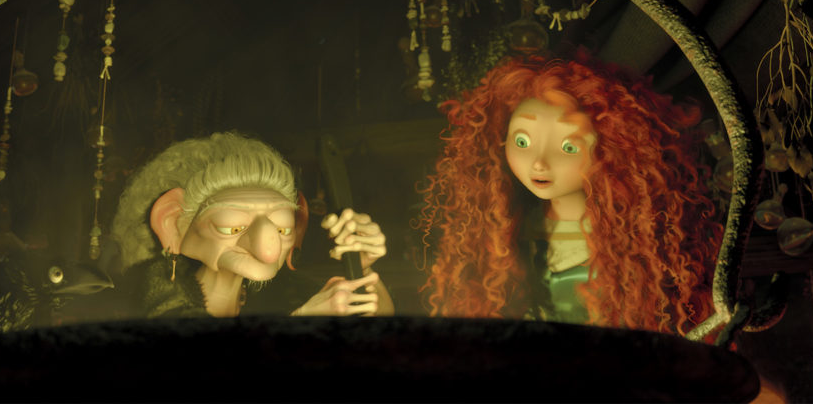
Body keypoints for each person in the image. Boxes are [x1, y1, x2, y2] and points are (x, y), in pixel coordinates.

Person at [418, 51, 721, 335]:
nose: (539, 162)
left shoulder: (636, 237)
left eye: (568, 147)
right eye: (522, 142)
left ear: (609, 149)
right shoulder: (506, 227)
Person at [110, 131, 393, 317]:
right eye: (233, 228)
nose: (266, 250)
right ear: (174, 223)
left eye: (282, 229)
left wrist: (361, 268)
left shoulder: (288, 293)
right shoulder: (156, 300)